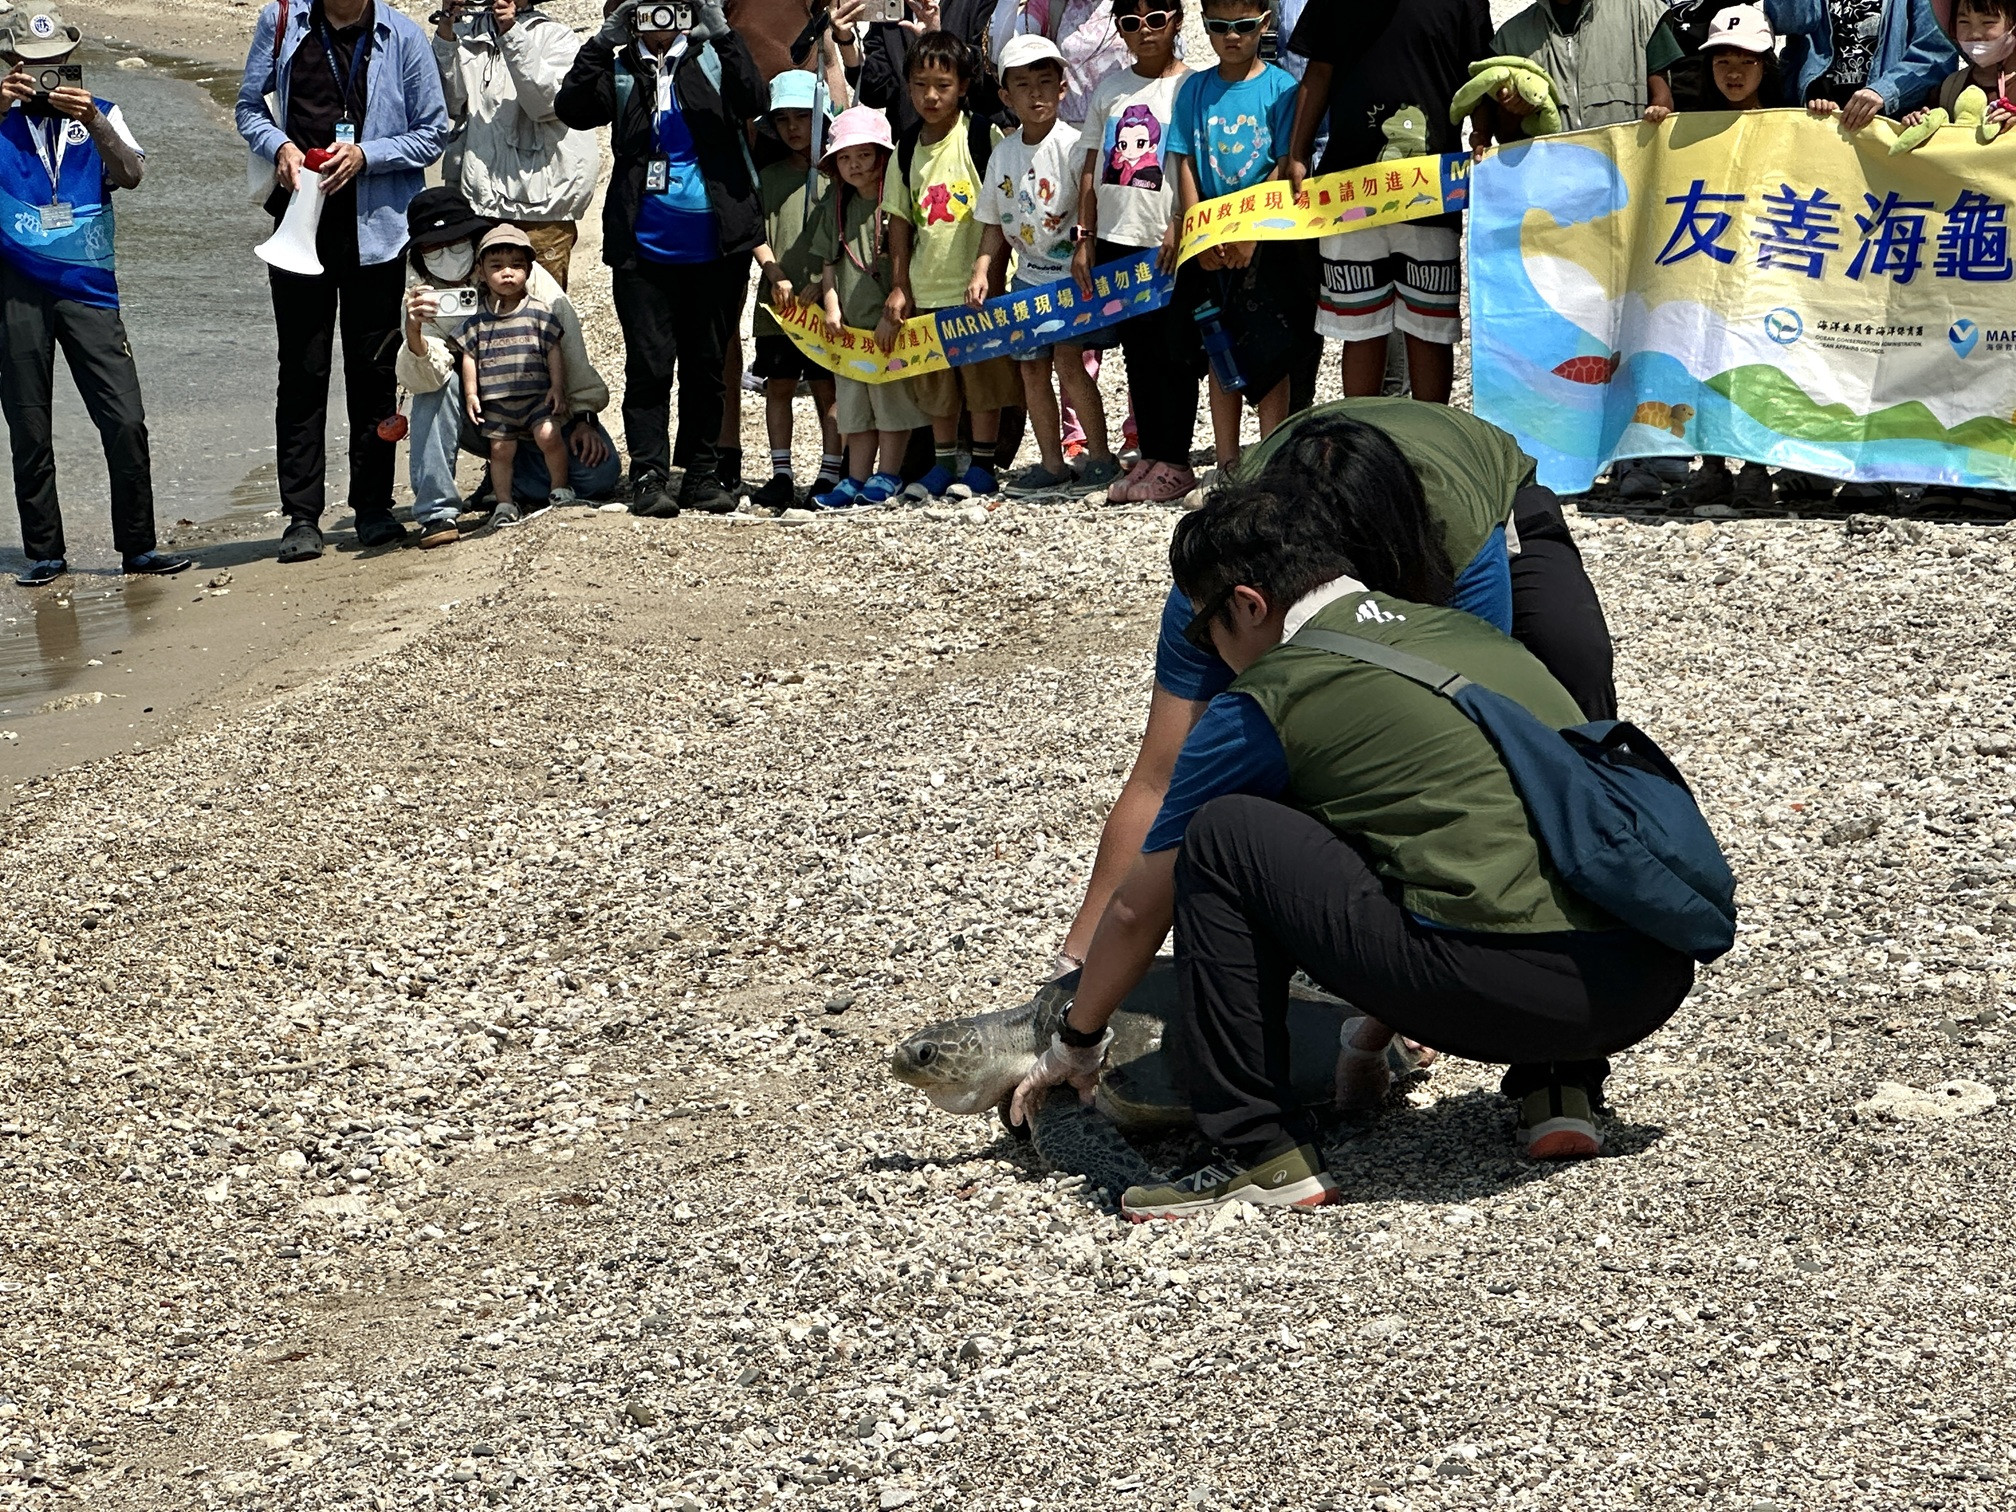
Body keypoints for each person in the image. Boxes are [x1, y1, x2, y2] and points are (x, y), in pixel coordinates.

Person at [1012, 473, 1695, 1219]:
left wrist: (1076, 1041)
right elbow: (1464, 848)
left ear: (1248, 605)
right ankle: (1560, 1089)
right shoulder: (1468, 634)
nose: (1209, 651)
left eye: (1206, 630)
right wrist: (1367, 1041)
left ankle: (1256, 1149)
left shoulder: (1268, 697)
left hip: (1509, 997)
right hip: (1647, 979)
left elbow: (1137, 909)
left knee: (1222, 835)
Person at [1054, 400, 1619, 982]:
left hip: (1470, 492)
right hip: (1310, 510)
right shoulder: (1213, 581)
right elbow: (1160, 777)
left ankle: (1601, 874)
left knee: (1570, 663)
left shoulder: (1455, 543)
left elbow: (1473, 736)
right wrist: (1077, 967)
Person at [236, 0, 450, 564]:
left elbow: (434, 133)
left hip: (379, 233)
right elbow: (248, 109)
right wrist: (280, 146)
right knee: (301, 372)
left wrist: (366, 155)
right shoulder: (281, 21)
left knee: (374, 373)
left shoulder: (403, 36)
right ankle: (301, 516)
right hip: (297, 226)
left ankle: (373, 507)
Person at [0, 6, 189, 587]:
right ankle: (45, 553)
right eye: (32, 63)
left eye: (57, 61)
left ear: (71, 58)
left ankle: (138, 547)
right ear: (11, 63)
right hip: (14, 289)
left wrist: (96, 123)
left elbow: (131, 174)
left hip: (89, 288)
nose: (46, 74)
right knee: (29, 424)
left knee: (125, 419)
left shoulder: (103, 111)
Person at [556, 0, 765, 518]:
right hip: (642, 247)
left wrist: (721, 32)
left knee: (707, 365)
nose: (661, 21)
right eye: (649, 9)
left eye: (672, 8)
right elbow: (572, 109)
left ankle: (701, 473)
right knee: (648, 366)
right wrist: (601, 43)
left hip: (715, 245)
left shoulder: (710, 56)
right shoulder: (622, 68)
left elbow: (754, 99)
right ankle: (649, 473)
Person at [1280, 0, 1489, 408]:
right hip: (1349, 191)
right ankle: (1364, 433)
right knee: (1360, 327)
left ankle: (1431, 433)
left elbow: (1478, 75)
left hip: (1430, 191)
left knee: (1430, 327)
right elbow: (1318, 70)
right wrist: (1298, 152)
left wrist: (1482, 132)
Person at [397, 188, 616, 549]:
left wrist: (584, 417)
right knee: (437, 387)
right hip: (483, 412)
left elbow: (567, 346)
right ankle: (437, 512)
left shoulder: (518, 272)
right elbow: (424, 377)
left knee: (599, 477)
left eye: (456, 244)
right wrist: (414, 331)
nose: (446, 255)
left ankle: (509, 477)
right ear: (419, 253)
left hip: (538, 405)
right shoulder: (419, 290)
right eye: (433, 249)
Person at [1638, 5, 1787, 512]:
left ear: (1766, 65)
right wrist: (1658, 128)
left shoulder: (1789, 124)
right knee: (1706, 357)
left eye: (1746, 61)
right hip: (1706, 265)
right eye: (1723, 61)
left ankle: (1757, 468)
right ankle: (1713, 466)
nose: (1734, 73)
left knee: (1760, 360)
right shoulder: (1690, 127)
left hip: (1766, 265)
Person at [970, 32, 1119, 496]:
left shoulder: (1075, 145)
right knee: (1032, 371)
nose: (1035, 94)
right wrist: (982, 268)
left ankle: (1100, 456)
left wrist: (1086, 249)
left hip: (1069, 278)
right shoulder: (1003, 153)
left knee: (1070, 364)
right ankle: (1052, 462)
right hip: (1026, 279)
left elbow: (1092, 205)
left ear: (1062, 87)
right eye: (1022, 85)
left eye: (1045, 82)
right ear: (1006, 96)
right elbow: (993, 221)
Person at [883, 30, 1017, 501]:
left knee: (982, 381)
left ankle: (982, 464)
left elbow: (1001, 212)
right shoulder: (905, 149)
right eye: (920, 85)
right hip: (928, 287)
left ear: (963, 86)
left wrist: (989, 272)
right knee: (937, 382)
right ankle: (942, 464)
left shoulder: (982, 137)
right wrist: (900, 285)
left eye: (942, 85)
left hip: (977, 290)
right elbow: (899, 221)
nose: (931, 96)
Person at [1169, 0, 1302, 469]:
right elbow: (1184, 161)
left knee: (1271, 350)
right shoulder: (1194, 89)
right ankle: (1226, 463)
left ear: (1264, 24)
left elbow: (1285, 164)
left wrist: (1252, 232)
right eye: (1220, 26)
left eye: (1243, 26)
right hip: (1212, 241)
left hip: (1264, 240)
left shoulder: (1283, 88)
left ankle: (1269, 461)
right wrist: (1198, 236)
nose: (1231, 36)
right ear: (1205, 26)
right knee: (1217, 347)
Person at [1073, 0, 1196, 504]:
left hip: (1166, 240)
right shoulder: (1110, 89)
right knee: (1138, 352)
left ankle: (1176, 461)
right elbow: (1091, 164)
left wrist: (1179, 224)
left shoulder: (1193, 86)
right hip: (1116, 238)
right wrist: (1085, 238)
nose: (1145, 32)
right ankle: (1151, 451)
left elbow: (1193, 164)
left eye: (1156, 20)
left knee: (1174, 351)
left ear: (1177, 20)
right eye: (1131, 23)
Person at [810, 105, 933, 507]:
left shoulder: (896, 200)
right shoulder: (836, 203)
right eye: (844, 157)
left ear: (883, 156)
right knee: (854, 410)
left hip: (890, 327)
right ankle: (855, 477)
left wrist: (895, 315)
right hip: (850, 332)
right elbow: (829, 263)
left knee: (892, 405)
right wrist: (831, 308)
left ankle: (889, 473)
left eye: (864, 154)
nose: (855, 164)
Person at [431, 0, 597, 289]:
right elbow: (451, 103)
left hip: (542, 210)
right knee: (484, 307)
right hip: (480, 204)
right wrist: (447, 27)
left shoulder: (557, 37)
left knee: (542, 307)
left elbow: (545, 104)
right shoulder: (468, 36)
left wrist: (510, 32)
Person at [749, 70, 844, 511]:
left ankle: (831, 470)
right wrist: (774, 273)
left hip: (826, 304)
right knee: (778, 385)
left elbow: (843, 236)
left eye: (803, 117)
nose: (792, 128)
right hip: (779, 305)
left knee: (827, 387)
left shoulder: (836, 175)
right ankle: (781, 472)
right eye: (783, 119)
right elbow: (756, 231)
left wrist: (822, 284)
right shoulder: (767, 176)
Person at [454, 223, 573, 525]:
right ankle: (504, 503)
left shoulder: (539, 311)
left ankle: (560, 488)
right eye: (497, 266)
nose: (507, 273)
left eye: (517, 265)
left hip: (536, 397)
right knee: (500, 451)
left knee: (549, 436)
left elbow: (554, 350)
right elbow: (469, 356)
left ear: (529, 271)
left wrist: (557, 387)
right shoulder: (476, 320)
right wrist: (471, 393)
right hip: (497, 403)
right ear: (481, 272)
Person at [1765, 0, 1956, 128]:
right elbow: (1784, 20)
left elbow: (1937, 55)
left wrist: (1884, 91)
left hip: (1889, 127)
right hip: (1816, 121)